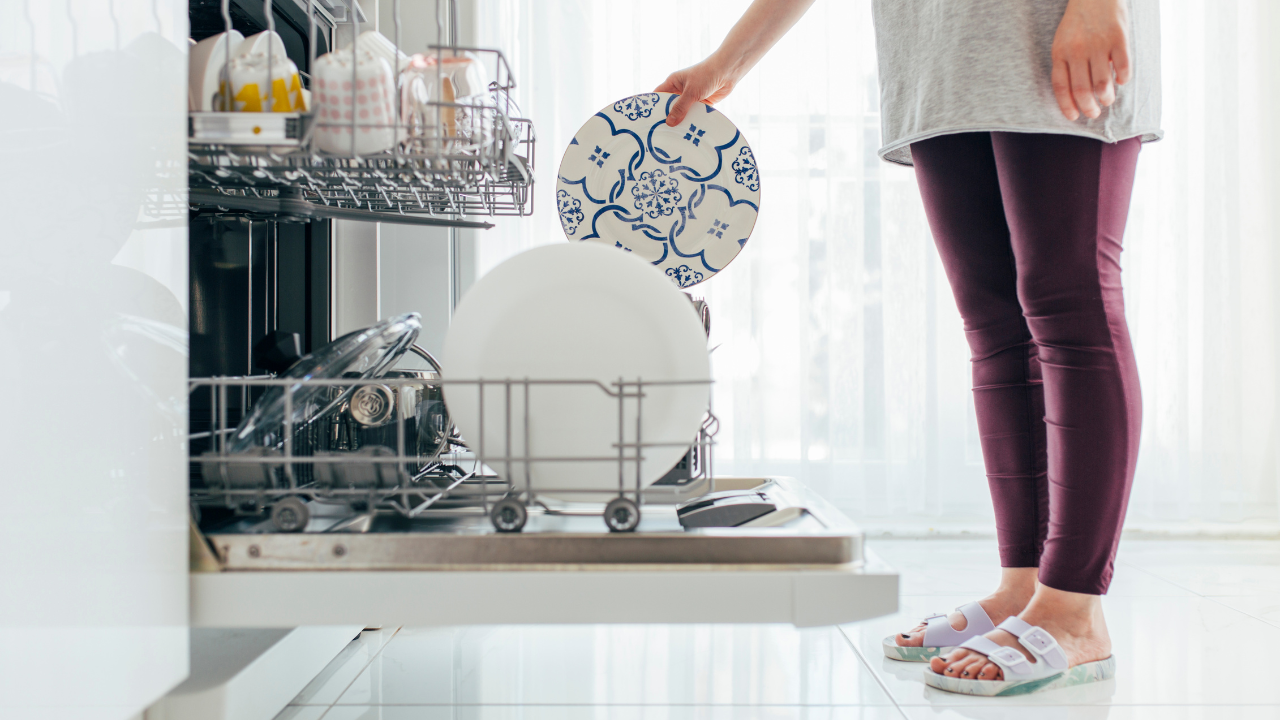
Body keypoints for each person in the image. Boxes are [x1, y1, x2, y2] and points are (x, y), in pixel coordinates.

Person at [657, 0, 1161, 695]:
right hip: (935, 53)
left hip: (1050, 23)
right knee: (996, 330)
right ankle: (1023, 586)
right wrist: (727, 61)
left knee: (1069, 306)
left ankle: (1073, 611)